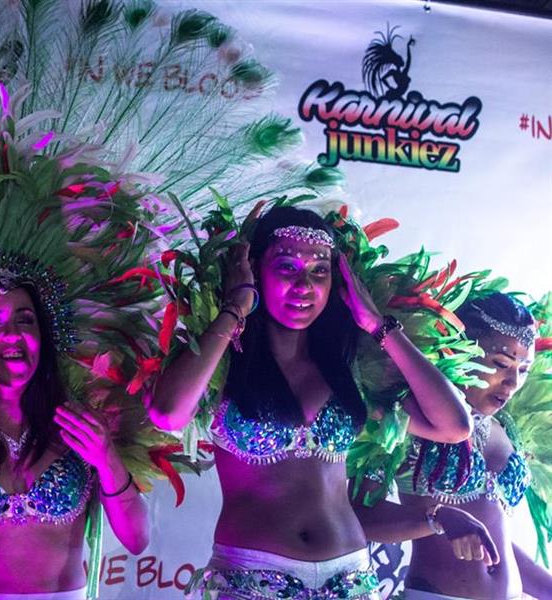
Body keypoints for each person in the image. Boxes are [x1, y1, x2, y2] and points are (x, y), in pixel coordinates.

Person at [148, 205, 472, 600]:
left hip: (350, 579)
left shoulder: (352, 369)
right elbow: (166, 414)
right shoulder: (223, 361)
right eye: (286, 267)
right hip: (254, 581)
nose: (304, 286)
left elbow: (453, 426)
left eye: (319, 271)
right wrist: (235, 308)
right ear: (254, 271)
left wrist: (376, 323)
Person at [0, 272, 149, 599]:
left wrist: (107, 458)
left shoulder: (78, 425)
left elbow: (137, 540)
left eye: (25, 320)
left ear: (42, 336)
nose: (12, 334)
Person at [353, 292, 552, 600]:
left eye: (523, 369)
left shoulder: (507, 429)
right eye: (501, 363)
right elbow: (360, 516)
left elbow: (492, 543)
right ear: (460, 350)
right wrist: (435, 519)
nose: (512, 383)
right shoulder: (410, 421)